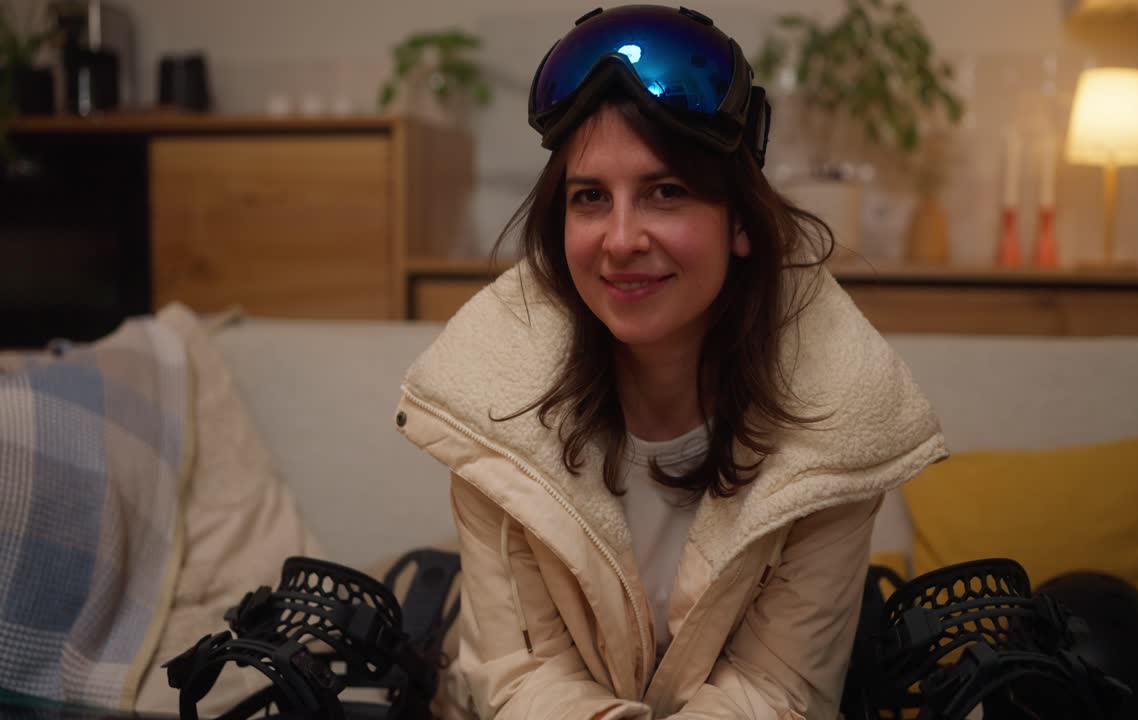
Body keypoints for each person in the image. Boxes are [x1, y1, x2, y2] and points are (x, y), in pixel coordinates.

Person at [394, 5, 947, 719]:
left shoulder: (837, 417)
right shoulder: (493, 404)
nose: (620, 239)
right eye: (590, 198)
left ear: (740, 221)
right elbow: (522, 680)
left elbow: (779, 691)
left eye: (665, 192)